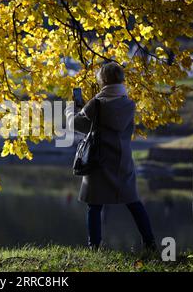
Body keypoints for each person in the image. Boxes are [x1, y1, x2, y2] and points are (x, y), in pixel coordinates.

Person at [65, 62, 156, 250]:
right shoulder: (129, 104)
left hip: (98, 160)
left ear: (103, 80)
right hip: (122, 161)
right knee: (133, 203)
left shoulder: (96, 104)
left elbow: (77, 125)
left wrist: (71, 109)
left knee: (95, 206)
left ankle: (95, 245)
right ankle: (149, 242)